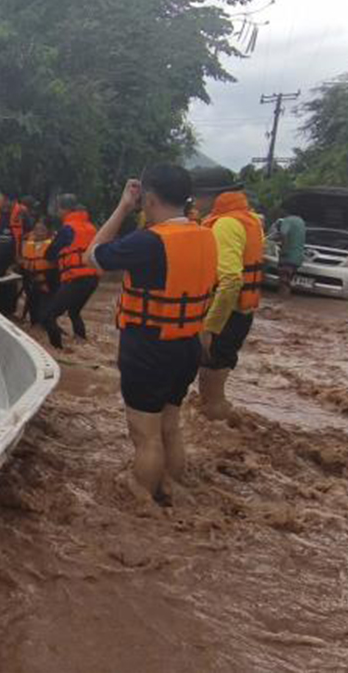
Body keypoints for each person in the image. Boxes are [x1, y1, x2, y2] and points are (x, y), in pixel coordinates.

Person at [86, 165, 217, 505]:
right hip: (187, 344)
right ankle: (170, 491)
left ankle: (143, 502)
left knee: (145, 436)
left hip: (148, 348)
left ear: (150, 198)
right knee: (170, 427)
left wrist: (122, 207)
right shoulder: (205, 234)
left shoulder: (148, 242)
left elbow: (93, 257)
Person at [192, 167, 265, 420]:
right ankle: (234, 434)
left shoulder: (225, 224)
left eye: (196, 196)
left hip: (224, 319)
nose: (194, 202)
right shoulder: (248, 218)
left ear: (210, 196)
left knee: (211, 399)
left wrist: (209, 328)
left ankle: (226, 441)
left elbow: (231, 281)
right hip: (238, 316)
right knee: (212, 395)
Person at [41, 194, 100, 349]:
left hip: (77, 279)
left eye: (59, 209)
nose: (58, 213)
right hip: (93, 279)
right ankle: (82, 344)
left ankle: (57, 351)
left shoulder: (68, 229)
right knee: (74, 312)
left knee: (48, 317)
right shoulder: (91, 227)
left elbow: (49, 254)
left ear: (64, 209)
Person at [18, 218, 56, 325]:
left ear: (48, 231)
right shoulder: (28, 242)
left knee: (45, 304)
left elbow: (56, 266)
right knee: (32, 301)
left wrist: (44, 280)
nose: (39, 233)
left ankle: (46, 323)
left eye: (42, 230)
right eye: (36, 230)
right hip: (30, 277)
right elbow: (23, 261)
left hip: (48, 279)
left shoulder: (53, 244)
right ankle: (33, 322)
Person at [269, 206, 307, 297]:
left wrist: (283, 249)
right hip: (298, 257)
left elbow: (283, 234)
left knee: (283, 280)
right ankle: (284, 301)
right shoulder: (301, 222)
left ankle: (280, 301)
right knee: (287, 280)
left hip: (287, 256)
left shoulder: (287, 220)